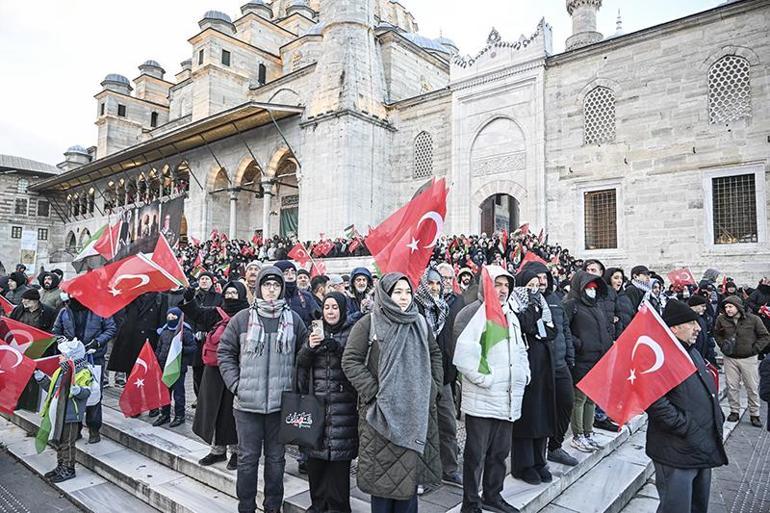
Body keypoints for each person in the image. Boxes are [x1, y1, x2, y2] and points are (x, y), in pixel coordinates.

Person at [342, 272, 443, 513]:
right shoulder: (369, 323)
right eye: (397, 292)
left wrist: (432, 388)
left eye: (407, 292)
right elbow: (350, 361)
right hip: (381, 416)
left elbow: (435, 354)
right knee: (383, 485)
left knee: (409, 485)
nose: (403, 297)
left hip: (415, 413)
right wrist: (375, 393)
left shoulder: (419, 322)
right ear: (385, 294)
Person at [218, 266, 308, 513]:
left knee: (276, 461)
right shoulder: (243, 318)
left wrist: (295, 386)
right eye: (267, 285)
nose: (271, 289)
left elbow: (304, 356)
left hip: (280, 406)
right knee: (247, 461)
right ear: (258, 287)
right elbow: (225, 352)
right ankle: (246, 507)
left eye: (276, 285)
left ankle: (272, 507)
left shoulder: (294, 320)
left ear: (281, 289)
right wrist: (236, 385)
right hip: (247, 405)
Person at [452, 265, 529, 513]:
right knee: (476, 455)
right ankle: (471, 503)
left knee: (499, 453)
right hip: (483, 399)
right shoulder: (476, 314)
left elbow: (519, 351)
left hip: (506, 400)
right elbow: (463, 355)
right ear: (487, 286)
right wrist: (486, 379)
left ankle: (493, 495)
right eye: (498, 284)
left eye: (507, 285)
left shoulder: (512, 316)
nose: (503, 289)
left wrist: (524, 374)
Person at [646, 300, 728, 513]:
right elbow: (654, 401)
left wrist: (716, 415)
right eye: (691, 323)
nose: (698, 328)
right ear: (674, 327)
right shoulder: (659, 356)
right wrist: (685, 426)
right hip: (676, 449)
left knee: (697, 506)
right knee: (676, 508)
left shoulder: (691, 351)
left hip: (701, 445)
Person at [296, 292, 358, 513]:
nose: (330, 311)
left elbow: (357, 365)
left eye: (335, 307)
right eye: (327, 307)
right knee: (316, 463)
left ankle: (339, 508)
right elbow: (300, 364)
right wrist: (309, 348)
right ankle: (318, 505)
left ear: (342, 309)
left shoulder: (352, 332)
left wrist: (338, 349)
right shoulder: (314, 330)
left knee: (339, 466)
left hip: (343, 407)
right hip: (316, 405)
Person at [181, 281, 248, 470]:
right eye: (229, 292)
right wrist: (189, 298)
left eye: (235, 293)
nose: (231, 295)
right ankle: (217, 450)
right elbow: (197, 312)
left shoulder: (248, 314)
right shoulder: (217, 312)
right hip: (213, 371)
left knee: (233, 413)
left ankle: (236, 451)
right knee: (214, 412)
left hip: (237, 370)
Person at [522, 262, 579, 467]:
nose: (542, 281)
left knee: (566, 402)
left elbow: (564, 329)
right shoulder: (524, 301)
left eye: (545, 277)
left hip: (560, 363)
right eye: (538, 277)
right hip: (539, 366)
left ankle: (555, 446)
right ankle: (536, 455)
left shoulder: (555, 300)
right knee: (541, 411)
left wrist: (569, 356)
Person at [510, 268, 557, 486]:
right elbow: (526, 325)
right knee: (527, 417)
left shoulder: (541, 304)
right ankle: (524, 465)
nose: (534, 290)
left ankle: (540, 461)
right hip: (525, 367)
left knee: (542, 415)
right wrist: (531, 305)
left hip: (543, 367)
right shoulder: (515, 305)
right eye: (529, 286)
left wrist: (537, 308)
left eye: (537, 286)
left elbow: (550, 330)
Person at [53, 297, 117, 444]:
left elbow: (111, 328)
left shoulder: (99, 310)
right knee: (74, 393)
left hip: (94, 357)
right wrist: (62, 342)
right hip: (72, 359)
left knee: (94, 393)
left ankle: (94, 428)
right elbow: (56, 331)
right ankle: (76, 429)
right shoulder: (64, 311)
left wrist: (98, 341)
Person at [563, 271, 612, 453]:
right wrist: (579, 344)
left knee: (592, 398)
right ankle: (578, 435)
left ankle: (589, 432)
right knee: (580, 398)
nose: (592, 291)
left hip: (597, 359)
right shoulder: (571, 304)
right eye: (588, 288)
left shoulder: (596, 305)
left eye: (594, 288)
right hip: (581, 358)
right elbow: (564, 328)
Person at [33, 338, 94, 483]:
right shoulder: (60, 371)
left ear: (72, 357)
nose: (60, 357)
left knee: (67, 442)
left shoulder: (83, 372)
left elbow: (86, 392)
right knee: (60, 441)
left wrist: (77, 390)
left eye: (63, 355)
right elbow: (52, 389)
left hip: (70, 414)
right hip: (58, 413)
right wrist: (41, 378)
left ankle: (69, 468)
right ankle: (61, 466)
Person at [714, 296, 770, 428]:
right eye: (726, 307)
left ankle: (754, 414)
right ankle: (734, 411)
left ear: (738, 306)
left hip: (749, 358)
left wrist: (754, 349)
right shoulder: (721, 319)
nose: (728, 309)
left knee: (752, 386)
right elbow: (717, 334)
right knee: (732, 386)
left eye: (730, 306)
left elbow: (765, 336)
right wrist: (723, 345)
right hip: (730, 358)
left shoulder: (754, 319)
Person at [11, 288, 59, 412]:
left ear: (36, 301)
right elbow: (11, 323)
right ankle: (19, 402)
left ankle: (32, 405)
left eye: (27, 300)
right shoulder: (18, 310)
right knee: (19, 377)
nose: (24, 302)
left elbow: (51, 331)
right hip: (20, 347)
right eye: (23, 299)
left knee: (35, 377)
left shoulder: (48, 312)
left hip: (39, 349)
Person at [108, 292, 167, 387]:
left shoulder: (160, 297)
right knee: (130, 373)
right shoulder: (130, 294)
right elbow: (119, 314)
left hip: (149, 342)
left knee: (145, 375)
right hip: (129, 340)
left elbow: (162, 322)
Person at [153, 307, 196, 428]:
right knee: (165, 392)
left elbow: (193, 347)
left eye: (174, 316)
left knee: (178, 394)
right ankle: (165, 414)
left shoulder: (184, 331)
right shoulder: (164, 331)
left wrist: (181, 350)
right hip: (164, 366)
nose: (171, 318)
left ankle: (179, 416)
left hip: (178, 368)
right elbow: (159, 347)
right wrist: (156, 359)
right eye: (169, 316)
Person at [190, 272, 223, 397]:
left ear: (212, 282)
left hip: (212, 338)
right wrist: (194, 331)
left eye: (206, 279)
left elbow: (219, 316)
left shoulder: (218, 297)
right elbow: (190, 315)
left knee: (209, 370)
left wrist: (211, 332)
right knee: (197, 370)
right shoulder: (194, 297)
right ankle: (198, 396)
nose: (204, 281)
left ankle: (209, 396)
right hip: (196, 339)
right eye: (202, 279)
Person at [275, 260, 318, 327]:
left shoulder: (306, 297)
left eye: (293, 272)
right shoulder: (273, 297)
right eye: (286, 273)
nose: (290, 276)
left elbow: (317, 318)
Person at [687, 295, 718, 366]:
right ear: (694, 306)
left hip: (701, 357)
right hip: (692, 358)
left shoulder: (702, 319)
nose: (705, 308)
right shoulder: (686, 320)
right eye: (702, 306)